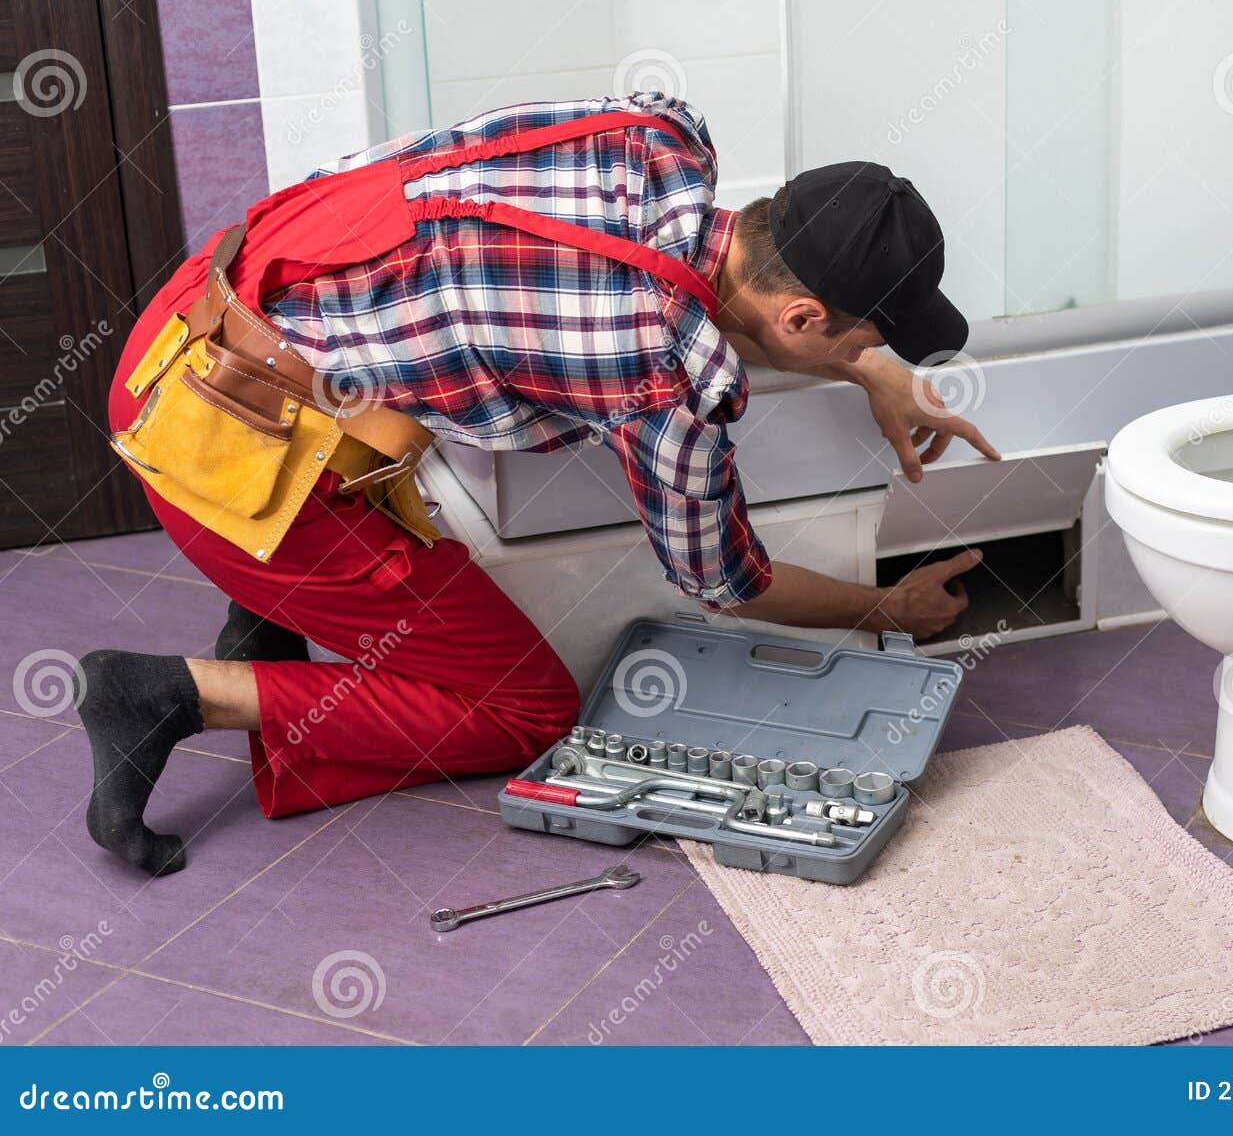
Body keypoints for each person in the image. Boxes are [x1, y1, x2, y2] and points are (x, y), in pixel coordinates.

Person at [81, 93, 998, 877]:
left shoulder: (656, 137)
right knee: (526, 710)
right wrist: (883, 611)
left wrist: (866, 370)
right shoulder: (661, 379)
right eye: (859, 339)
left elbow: (749, 306)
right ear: (801, 314)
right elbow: (725, 582)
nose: (865, 356)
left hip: (198, 312)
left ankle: (269, 613)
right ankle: (160, 693)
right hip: (214, 441)